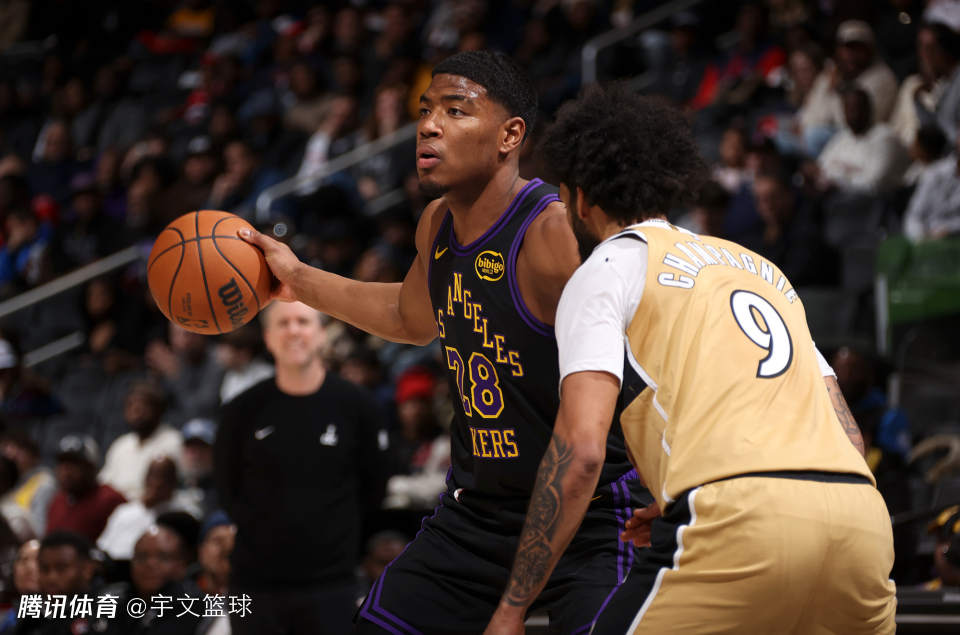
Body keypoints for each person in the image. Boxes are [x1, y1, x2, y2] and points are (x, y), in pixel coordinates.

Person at [240, 50, 648, 635]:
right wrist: (297, 280)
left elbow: (648, 359)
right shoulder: (435, 223)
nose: (429, 125)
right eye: (426, 110)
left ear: (510, 135)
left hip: (593, 514)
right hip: (478, 515)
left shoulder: (553, 230)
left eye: (456, 111)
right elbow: (409, 317)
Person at [484, 84, 895, 635]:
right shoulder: (760, 269)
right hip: (860, 522)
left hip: (740, 520)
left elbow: (581, 453)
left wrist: (512, 608)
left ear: (580, 197)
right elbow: (849, 437)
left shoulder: (608, 268)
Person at [215, 301, 390, 635]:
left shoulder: (358, 407)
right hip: (255, 584)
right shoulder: (241, 410)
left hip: (333, 583)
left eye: (303, 321)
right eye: (283, 323)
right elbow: (227, 488)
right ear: (267, 338)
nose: (293, 330)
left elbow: (374, 489)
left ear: (322, 334)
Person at [104, 524, 204, 635]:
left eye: (163, 557)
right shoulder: (118, 601)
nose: (150, 564)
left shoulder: (193, 607)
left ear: (181, 565)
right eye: (142, 557)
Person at [97, 457, 201, 561]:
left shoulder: (182, 515)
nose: (158, 482)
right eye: (152, 476)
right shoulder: (124, 511)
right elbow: (102, 546)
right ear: (145, 478)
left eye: (165, 477)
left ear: (175, 482)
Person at [98, 381, 183, 502]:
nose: (136, 411)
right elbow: (104, 484)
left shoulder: (172, 441)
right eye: (130, 406)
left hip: (154, 507)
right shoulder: (120, 445)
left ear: (159, 409)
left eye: (144, 406)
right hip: (118, 507)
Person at [813, 89, 909, 196]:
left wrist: (839, 177)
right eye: (851, 110)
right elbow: (820, 167)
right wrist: (850, 172)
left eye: (861, 109)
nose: (856, 114)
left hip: (879, 199)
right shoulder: (843, 136)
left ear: (870, 109)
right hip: (843, 193)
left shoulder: (885, 137)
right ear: (844, 113)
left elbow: (874, 184)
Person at [13, 531, 98, 635]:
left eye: (61, 569)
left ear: (87, 570)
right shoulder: (31, 617)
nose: (51, 578)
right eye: (44, 569)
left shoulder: (104, 615)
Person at [46, 435, 126, 543]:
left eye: (74, 463)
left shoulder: (110, 500)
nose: (66, 471)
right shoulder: (57, 500)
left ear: (91, 467)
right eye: (62, 463)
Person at [145, 324, 225, 427]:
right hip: (172, 427)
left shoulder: (218, 361)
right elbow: (157, 410)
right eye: (177, 334)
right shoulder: (172, 360)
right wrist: (155, 377)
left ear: (203, 334)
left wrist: (176, 376)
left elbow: (199, 413)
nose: (185, 341)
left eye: (189, 334)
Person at [904, 126, 960, 241]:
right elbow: (914, 215)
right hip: (927, 240)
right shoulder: (935, 172)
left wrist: (948, 230)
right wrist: (920, 239)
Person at [0, 430, 57, 537]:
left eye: (19, 450)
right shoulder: (14, 484)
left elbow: (40, 531)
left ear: (35, 457)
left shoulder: (44, 484)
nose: (12, 455)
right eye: (7, 449)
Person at [215, 323, 274, 404]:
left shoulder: (266, 376)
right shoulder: (230, 376)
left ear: (244, 354)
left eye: (227, 351)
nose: (220, 355)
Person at [180, 418, 219, 515]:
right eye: (191, 447)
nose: (197, 455)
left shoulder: (223, 492)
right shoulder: (172, 486)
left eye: (203, 447)